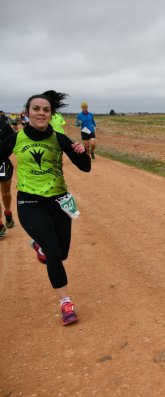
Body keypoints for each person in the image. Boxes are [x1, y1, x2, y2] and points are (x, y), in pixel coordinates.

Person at [0, 91, 91, 324]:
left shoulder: (59, 139)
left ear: (51, 114)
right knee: (53, 253)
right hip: (30, 202)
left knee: (62, 253)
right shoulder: (15, 139)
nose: (41, 113)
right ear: (27, 112)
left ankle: (39, 245)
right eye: (36, 109)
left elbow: (85, 168)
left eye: (46, 110)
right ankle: (66, 303)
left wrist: (81, 152)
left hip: (59, 201)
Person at [0, 110, 16, 235]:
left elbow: (14, 141)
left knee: (5, 194)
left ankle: (8, 212)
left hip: (2, 164)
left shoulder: (3, 126)